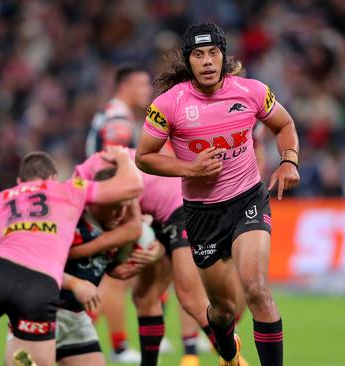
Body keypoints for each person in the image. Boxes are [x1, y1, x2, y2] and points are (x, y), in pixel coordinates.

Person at [135, 22, 300, 366]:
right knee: (222, 311)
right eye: (199, 54)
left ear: (224, 56)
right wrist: (190, 169)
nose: (207, 61)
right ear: (188, 61)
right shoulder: (168, 104)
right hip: (202, 213)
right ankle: (229, 354)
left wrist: (288, 160)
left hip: (247, 200)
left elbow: (284, 125)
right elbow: (144, 157)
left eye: (214, 53)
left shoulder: (252, 91)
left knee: (256, 287)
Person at [0, 147, 143, 366]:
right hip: (40, 289)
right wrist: (123, 157)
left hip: (0, 274)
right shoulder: (68, 190)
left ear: (20, 180)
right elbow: (132, 186)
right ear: (53, 178)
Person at [76, 149, 238, 366]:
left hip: (181, 207)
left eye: (119, 210)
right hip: (157, 213)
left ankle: (234, 360)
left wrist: (89, 256)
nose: (116, 216)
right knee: (144, 297)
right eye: (112, 210)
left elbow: (133, 229)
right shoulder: (81, 183)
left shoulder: (122, 183)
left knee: (190, 298)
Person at [46, 167, 164, 366]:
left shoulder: (121, 226)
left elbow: (149, 246)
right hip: (41, 313)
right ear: (96, 200)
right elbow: (39, 266)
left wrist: (153, 253)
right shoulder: (69, 221)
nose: (120, 213)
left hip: (76, 319)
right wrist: (75, 284)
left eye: (126, 206)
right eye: (114, 206)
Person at [85, 64, 153, 363]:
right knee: (114, 278)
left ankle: (85, 338)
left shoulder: (111, 114)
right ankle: (119, 346)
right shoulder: (118, 120)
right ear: (125, 86)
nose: (147, 90)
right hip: (110, 205)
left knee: (109, 276)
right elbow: (114, 164)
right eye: (142, 84)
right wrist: (129, 207)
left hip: (101, 201)